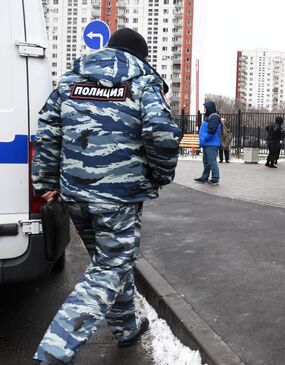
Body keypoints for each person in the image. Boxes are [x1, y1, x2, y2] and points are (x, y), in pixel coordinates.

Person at [31, 28, 181, 364]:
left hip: (75, 194)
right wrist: (159, 176)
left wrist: (44, 182)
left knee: (110, 261)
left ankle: (126, 328)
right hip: (118, 196)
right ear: (140, 55)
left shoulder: (71, 79)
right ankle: (53, 352)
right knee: (111, 266)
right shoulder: (142, 81)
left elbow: (47, 131)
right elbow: (162, 135)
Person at [194, 101, 222, 184]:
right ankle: (205, 177)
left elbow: (212, 130)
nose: (204, 109)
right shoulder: (209, 117)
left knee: (212, 161)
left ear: (210, 108)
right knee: (206, 162)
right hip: (207, 144)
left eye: (205, 107)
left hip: (211, 144)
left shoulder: (214, 117)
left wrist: (205, 138)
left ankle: (215, 178)